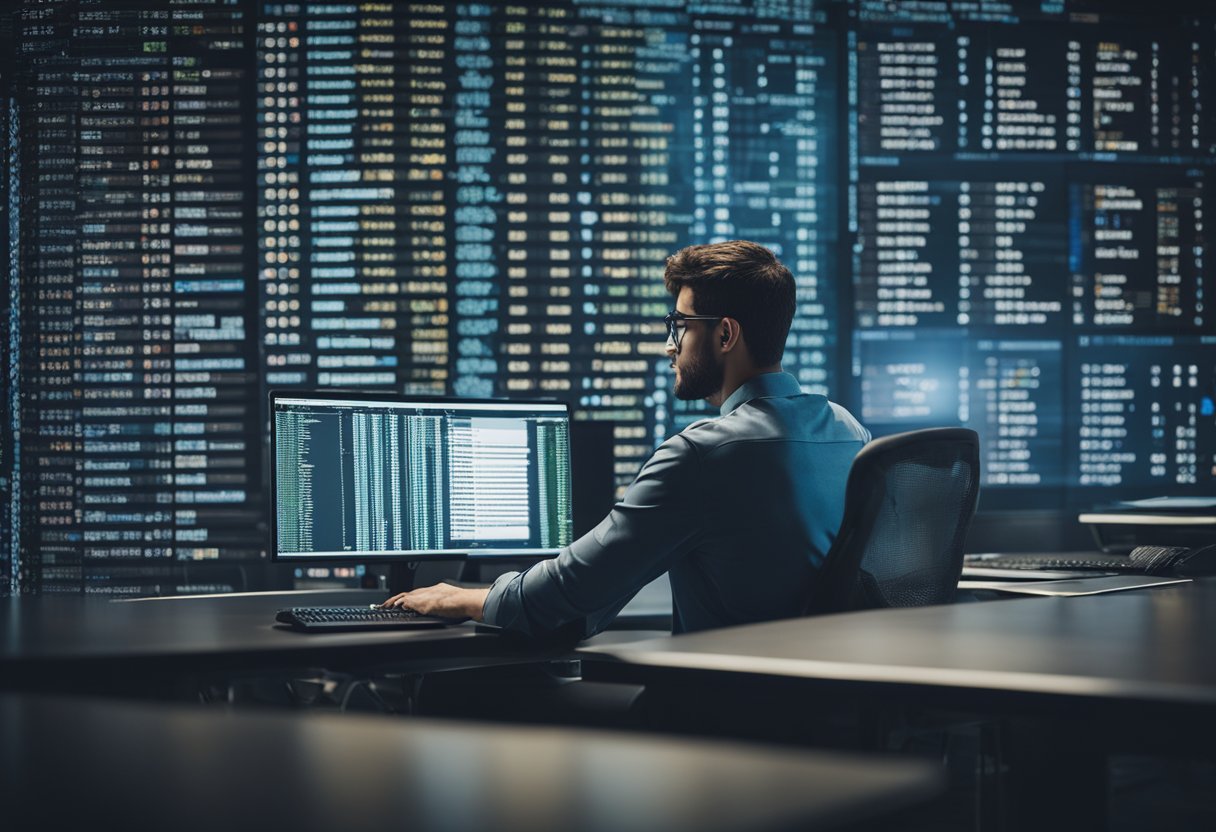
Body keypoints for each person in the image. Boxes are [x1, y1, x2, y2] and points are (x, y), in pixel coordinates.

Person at [382, 240, 870, 638]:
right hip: (824, 711)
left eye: (679, 326)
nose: (668, 346)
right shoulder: (851, 432)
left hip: (727, 718)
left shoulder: (703, 454)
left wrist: (465, 599)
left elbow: (572, 588)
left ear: (725, 335)